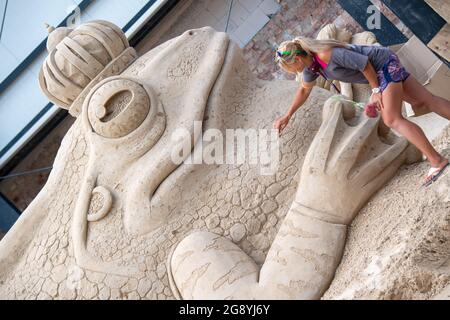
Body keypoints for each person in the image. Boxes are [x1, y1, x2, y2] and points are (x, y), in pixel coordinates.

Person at [273, 37, 450, 187]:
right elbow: (304, 90)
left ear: (296, 59)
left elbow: (364, 64)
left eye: (291, 69)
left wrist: (375, 91)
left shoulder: (326, 54)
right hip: (383, 66)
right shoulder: (312, 66)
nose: (295, 72)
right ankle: (437, 159)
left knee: (392, 119)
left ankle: (437, 161)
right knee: (426, 100)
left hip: (383, 65)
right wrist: (288, 115)